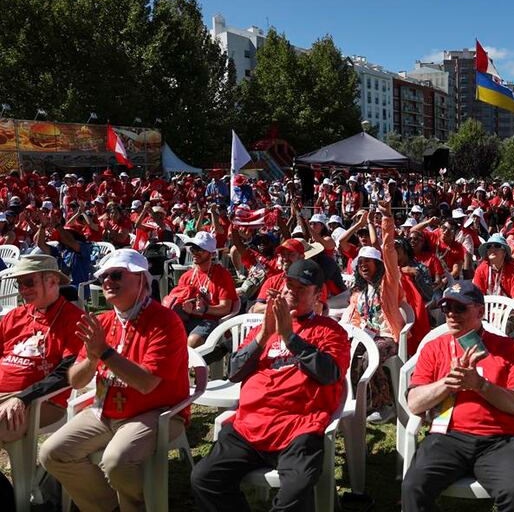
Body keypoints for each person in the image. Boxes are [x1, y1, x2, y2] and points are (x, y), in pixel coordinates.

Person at [190, 259, 350, 511]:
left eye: (301, 288)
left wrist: (290, 337)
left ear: (317, 294)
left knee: (295, 492)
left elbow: (330, 373)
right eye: (289, 285)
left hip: (299, 427)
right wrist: (265, 335)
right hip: (250, 425)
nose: (291, 292)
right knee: (204, 479)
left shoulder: (330, 331)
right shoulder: (264, 327)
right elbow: (234, 372)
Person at [39, 249, 190, 512]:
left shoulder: (165, 321)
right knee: (52, 453)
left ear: (141, 279)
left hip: (157, 412)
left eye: (117, 274)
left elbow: (146, 383)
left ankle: (136, 506)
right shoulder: (104, 321)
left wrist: (105, 352)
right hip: (105, 409)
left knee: (116, 460)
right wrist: (92, 359)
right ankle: (108, 506)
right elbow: (76, 381)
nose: (107, 281)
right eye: (103, 277)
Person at [401, 281, 514, 512]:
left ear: (480, 312)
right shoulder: (434, 348)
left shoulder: (507, 348)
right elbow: (414, 403)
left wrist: (480, 385)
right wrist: (448, 383)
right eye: (446, 308)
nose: (451, 314)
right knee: (413, 487)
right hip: (447, 437)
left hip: (498, 440)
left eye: (460, 308)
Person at [0, 256, 84, 450]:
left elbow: (66, 373)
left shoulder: (74, 320)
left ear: (53, 281)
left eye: (29, 282)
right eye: (19, 284)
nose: (23, 289)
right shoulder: (15, 315)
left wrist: (23, 397)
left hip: (41, 401)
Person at [343, 200, 405, 423]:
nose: (363, 265)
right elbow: (354, 317)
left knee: (371, 356)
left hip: (387, 337)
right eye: (360, 262)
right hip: (365, 334)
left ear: (379, 265)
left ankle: (385, 405)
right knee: (347, 354)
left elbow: (388, 250)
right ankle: (359, 401)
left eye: (369, 262)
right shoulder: (359, 291)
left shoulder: (388, 285)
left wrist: (386, 218)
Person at [163, 231, 238, 348]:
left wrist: (205, 309)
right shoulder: (186, 276)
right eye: (193, 249)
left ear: (211, 253)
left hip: (211, 320)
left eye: (199, 250)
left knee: (193, 341)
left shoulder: (222, 275)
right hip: (187, 318)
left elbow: (226, 308)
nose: (194, 253)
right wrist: (184, 307)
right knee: (162, 335)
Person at [472, 233, 514, 304]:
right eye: (489, 246)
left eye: (497, 246)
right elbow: (478, 297)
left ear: (504, 252)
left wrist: (506, 311)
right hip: (486, 307)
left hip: (509, 307)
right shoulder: (481, 270)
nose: (492, 249)